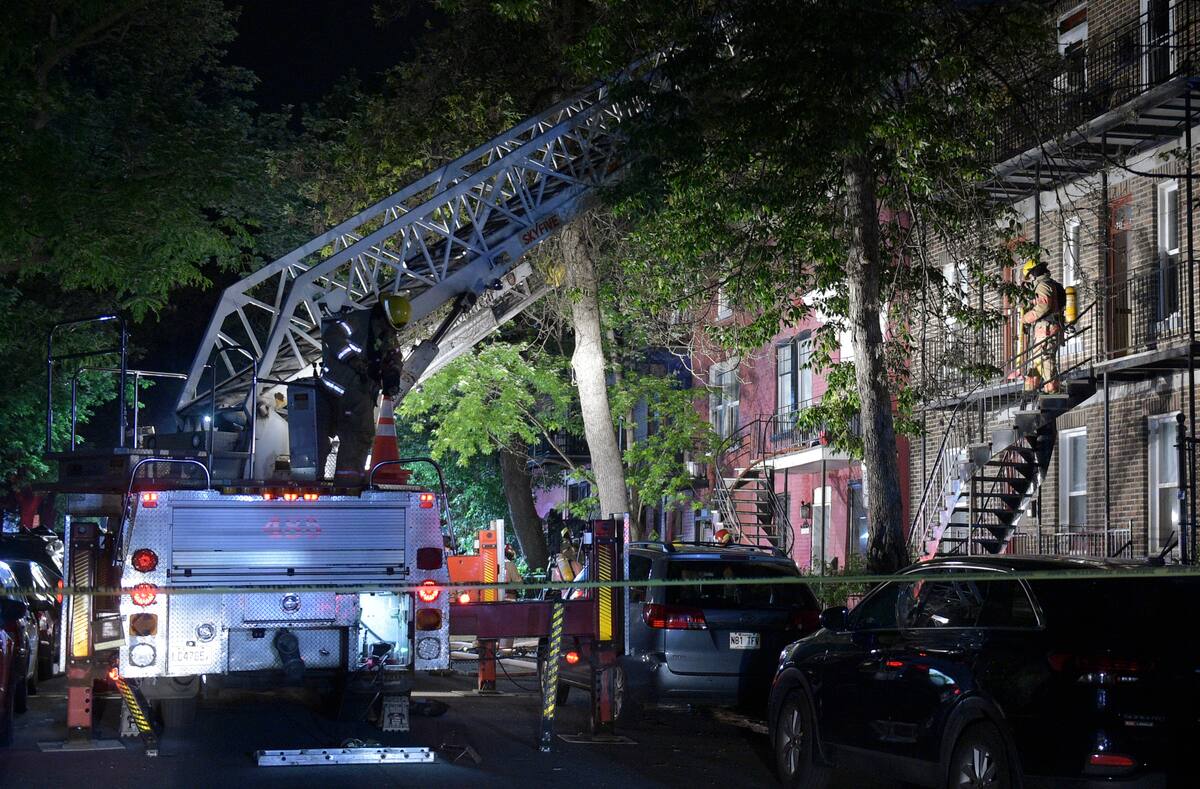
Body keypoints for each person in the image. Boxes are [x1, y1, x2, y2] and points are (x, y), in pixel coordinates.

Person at [317, 290, 410, 483]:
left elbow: (394, 356)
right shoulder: (357, 321)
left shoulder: (387, 333)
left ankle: (350, 482)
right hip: (340, 387)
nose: (390, 331)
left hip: (360, 390)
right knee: (354, 433)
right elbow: (332, 335)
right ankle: (343, 483)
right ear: (382, 315)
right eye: (388, 325)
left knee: (360, 435)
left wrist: (392, 375)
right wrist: (352, 360)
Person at [1020, 259, 1066, 394]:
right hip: (1051, 327)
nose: (1029, 281)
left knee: (1044, 358)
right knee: (1037, 359)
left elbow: (1044, 306)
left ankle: (1052, 390)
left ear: (1033, 274)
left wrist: (1025, 318)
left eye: (1029, 277)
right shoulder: (1052, 285)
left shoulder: (1043, 285)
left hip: (1046, 328)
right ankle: (1029, 389)